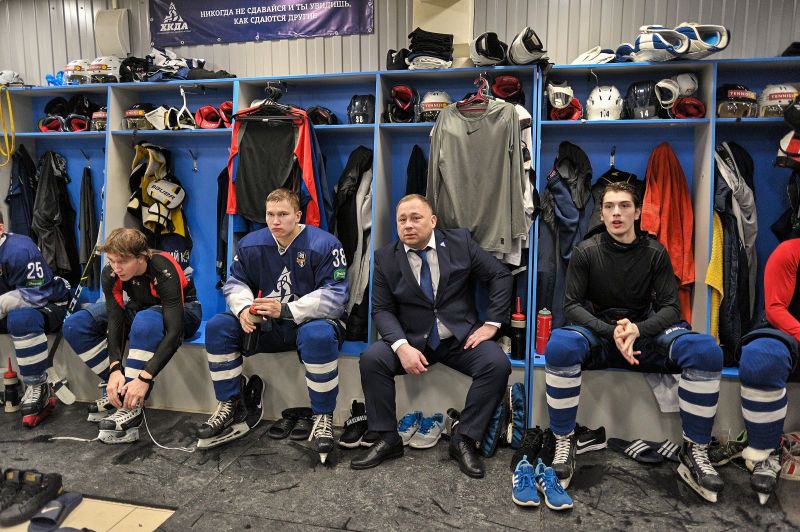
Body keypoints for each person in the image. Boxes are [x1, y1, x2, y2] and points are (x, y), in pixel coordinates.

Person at [543, 182, 725, 502]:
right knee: (560, 346)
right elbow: (571, 306)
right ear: (601, 214)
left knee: (706, 351)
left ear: (638, 212)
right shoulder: (586, 251)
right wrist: (610, 331)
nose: (617, 213)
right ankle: (564, 440)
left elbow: (670, 308)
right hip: (601, 333)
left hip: (643, 331)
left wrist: (637, 330)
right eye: (609, 206)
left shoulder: (654, 252)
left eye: (625, 206)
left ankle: (695, 450)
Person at [351, 194, 512, 478]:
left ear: (433, 221)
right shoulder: (386, 258)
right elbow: (382, 309)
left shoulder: (460, 243)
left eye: (416, 218)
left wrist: (492, 324)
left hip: (459, 338)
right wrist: (401, 346)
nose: (408, 225)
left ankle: (464, 438)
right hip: (413, 340)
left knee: (497, 363)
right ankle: (387, 438)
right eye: (402, 220)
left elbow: (500, 275)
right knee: (372, 358)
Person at [197, 188, 348, 464]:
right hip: (269, 325)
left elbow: (336, 296)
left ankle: (323, 416)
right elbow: (235, 282)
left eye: (283, 214)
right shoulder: (250, 244)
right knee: (219, 326)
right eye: (270, 214)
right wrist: (245, 309)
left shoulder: (325, 244)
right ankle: (231, 403)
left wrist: (287, 309)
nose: (275, 221)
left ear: (298, 215)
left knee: (317, 334)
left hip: (310, 324)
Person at [62, 228, 202, 443]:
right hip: (142, 307)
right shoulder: (112, 273)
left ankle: (131, 407)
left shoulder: (162, 267)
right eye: (112, 260)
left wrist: (144, 378)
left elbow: (175, 333)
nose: (116, 267)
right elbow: (115, 320)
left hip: (184, 312)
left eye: (123, 261)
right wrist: (114, 369)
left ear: (141, 257)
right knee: (75, 324)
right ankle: (121, 391)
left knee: (144, 320)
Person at [735, 238, 800, 504]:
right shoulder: (790, 251)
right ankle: (767, 449)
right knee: (760, 358)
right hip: (785, 332)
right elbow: (775, 309)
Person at [0, 213, 70, 427]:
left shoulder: (20, 249)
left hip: (47, 302)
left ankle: (38, 385)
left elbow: (37, 294)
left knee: (21, 318)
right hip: (9, 307)